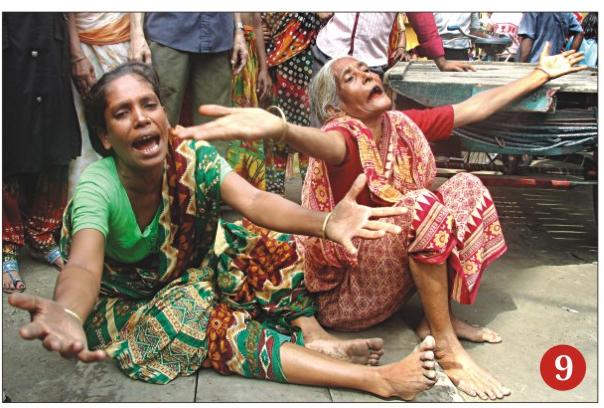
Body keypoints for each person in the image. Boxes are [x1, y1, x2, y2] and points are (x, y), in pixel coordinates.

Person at [8, 62, 444, 401]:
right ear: (105, 137)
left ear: (164, 114)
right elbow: (83, 266)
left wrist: (327, 223)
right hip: (122, 304)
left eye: (149, 105)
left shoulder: (191, 156)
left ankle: (313, 335)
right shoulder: (97, 187)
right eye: (122, 113)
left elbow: (254, 201)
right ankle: (375, 380)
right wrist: (68, 313)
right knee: (204, 319)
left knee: (263, 241)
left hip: (188, 272)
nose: (141, 119)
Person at [172, 43, 586, 400]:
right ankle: (445, 345)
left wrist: (540, 74)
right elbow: (323, 143)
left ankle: (434, 317)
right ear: (335, 107)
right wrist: (283, 129)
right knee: (422, 205)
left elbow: (471, 109)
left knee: (466, 187)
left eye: (366, 69)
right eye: (350, 77)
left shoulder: (401, 125)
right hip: (346, 296)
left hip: (386, 271)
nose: (368, 75)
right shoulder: (342, 138)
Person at [3, 13, 81, 293]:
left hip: (49, 34)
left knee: (54, 135)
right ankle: (6, 246)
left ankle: (41, 234)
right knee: (7, 137)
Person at [130, 12, 248, 159]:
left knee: (215, 130)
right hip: (168, 32)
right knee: (157, 124)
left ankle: (213, 173)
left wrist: (238, 29)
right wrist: (137, 33)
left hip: (218, 34)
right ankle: (154, 172)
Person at [66, 12, 152, 197]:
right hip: (83, 44)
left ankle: (138, 194)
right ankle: (89, 198)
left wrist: (137, 35)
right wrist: (76, 55)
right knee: (85, 135)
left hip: (125, 40)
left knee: (131, 119)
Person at [260, 12, 331, 195]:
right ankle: (278, 185)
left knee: (308, 124)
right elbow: (261, 20)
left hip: (312, 59)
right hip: (278, 61)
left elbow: (327, 14)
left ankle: (311, 184)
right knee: (279, 122)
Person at [312, 13, 475, 78]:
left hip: (370, 64)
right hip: (326, 54)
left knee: (364, 131)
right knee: (322, 124)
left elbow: (421, 16)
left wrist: (441, 61)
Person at [227, 12, 272, 190]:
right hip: (226, 55)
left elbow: (257, 25)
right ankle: (227, 182)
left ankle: (250, 183)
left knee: (249, 120)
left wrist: (264, 69)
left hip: (249, 61)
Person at [518, 12, 584, 63]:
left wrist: (521, 66)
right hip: (553, 66)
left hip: (533, 66)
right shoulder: (566, 13)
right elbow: (580, 32)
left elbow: (528, 38)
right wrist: (569, 58)